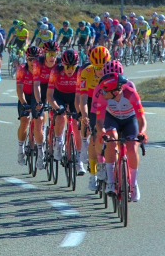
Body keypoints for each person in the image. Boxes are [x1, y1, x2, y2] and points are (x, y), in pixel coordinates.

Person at [92, 60, 148, 202]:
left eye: (106, 91)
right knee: (111, 141)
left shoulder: (130, 93)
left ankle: (134, 184)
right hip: (112, 119)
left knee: (132, 147)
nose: (103, 93)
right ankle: (111, 181)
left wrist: (141, 133)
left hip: (130, 120)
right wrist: (102, 133)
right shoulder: (103, 96)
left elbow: (141, 118)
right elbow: (99, 120)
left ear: (115, 91)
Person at [78, 45, 110, 190]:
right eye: (97, 67)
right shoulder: (87, 71)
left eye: (102, 67)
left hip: (109, 100)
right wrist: (85, 116)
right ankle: (93, 175)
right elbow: (83, 99)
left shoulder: (112, 70)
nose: (100, 71)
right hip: (91, 102)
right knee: (94, 137)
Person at [46, 48, 83, 172]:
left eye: (73, 67)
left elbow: (80, 96)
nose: (70, 70)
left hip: (74, 97)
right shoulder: (56, 70)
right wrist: (57, 108)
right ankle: (59, 141)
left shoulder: (80, 72)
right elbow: (49, 95)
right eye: (67, 67)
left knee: (77, 124)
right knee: (61, 117)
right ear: (63, 65)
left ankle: (79, 159)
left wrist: (80, 112)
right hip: (58, 96)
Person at [33, 40, 60, 162]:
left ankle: (60, 140)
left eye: (54, 54)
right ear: (44, 53)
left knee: (61, 113)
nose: (52, 57)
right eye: (49, 54)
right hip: (42, 88)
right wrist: (39, 101)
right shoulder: (38, 62)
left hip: (56, 88)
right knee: (38, 119)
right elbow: (36, 84)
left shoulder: (60, 63)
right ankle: (40, 152)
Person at [15, 45, 41, 166]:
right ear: (26, 59)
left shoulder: (42, 70)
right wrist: (24, 103)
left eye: (36, 59)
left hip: (37, 97)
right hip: (25, 96)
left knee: (39, 120)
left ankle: (41, 136)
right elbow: (19, 90)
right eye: (30, 59)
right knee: (25, 120)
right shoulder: (21, 69)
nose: (33, 62)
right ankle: (20, 150)